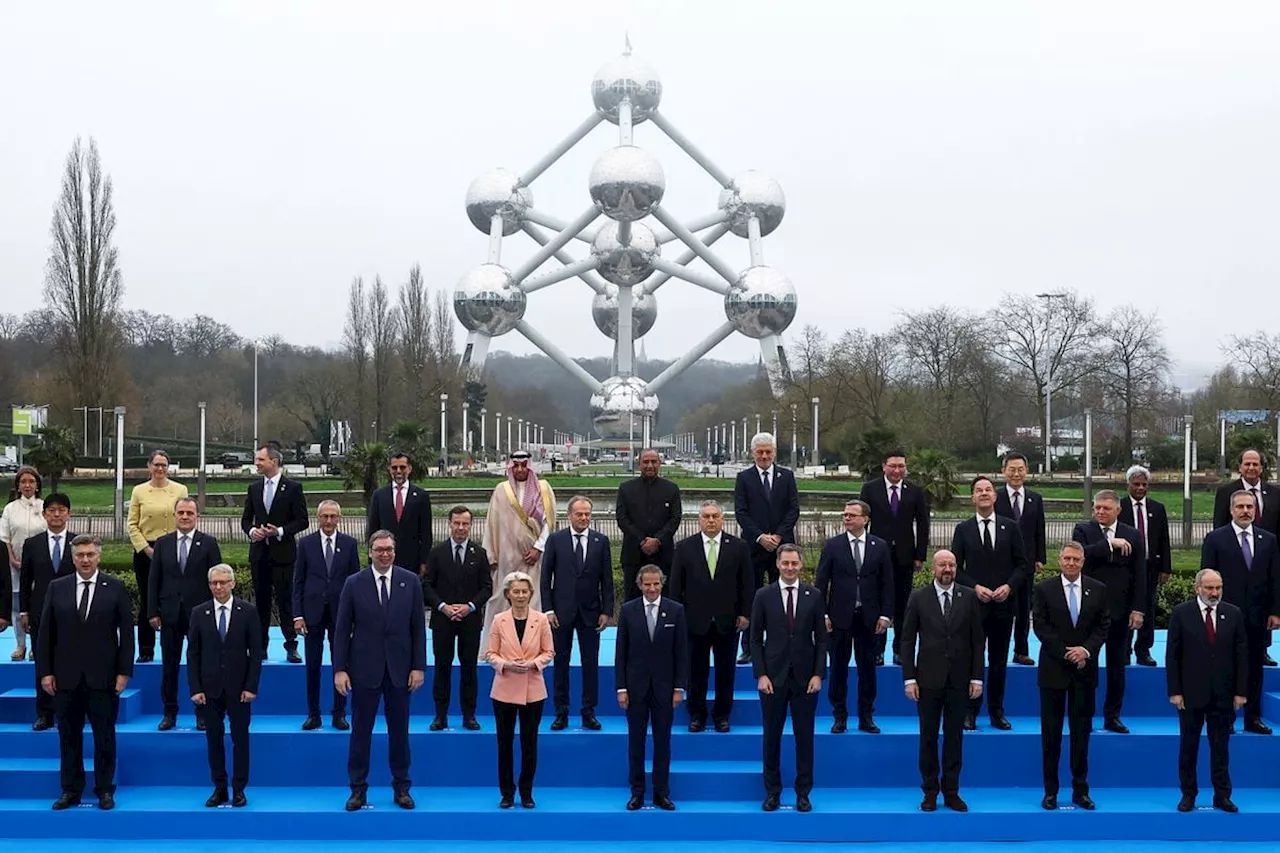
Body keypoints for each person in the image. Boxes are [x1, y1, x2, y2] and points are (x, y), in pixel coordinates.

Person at [37, 534, 134, 811]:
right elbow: (46, 635)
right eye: (80, 555)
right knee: (68, 736)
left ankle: (104, 790)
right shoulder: (57, 588)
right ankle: (71, 790)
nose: (85, 560)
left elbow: (127, 634)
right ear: (73, 557)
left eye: (90, 554)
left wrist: (124, 672)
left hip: (103, 678)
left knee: (105, 736)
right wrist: (45, 672)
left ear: (98, 556)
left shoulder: (114, 588)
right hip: (65, 678)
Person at [334, 530, 426, 811]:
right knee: (361, 733)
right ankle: (358, 790)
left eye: (389, 549)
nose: (384, 554)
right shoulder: (353, 583)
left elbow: (417, 629)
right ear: (369, 552)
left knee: (400, 733)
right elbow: (341, 630)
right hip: (364, 671)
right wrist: (340, 669)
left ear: (394, 552)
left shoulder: (410, 582)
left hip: (400, 671)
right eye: (379, 550)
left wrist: (418, 667)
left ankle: (401, 787)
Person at [901, 549, 984, 813]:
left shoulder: (969, 597)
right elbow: (907, 640)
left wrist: (977, 678)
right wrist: (909, 678)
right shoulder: (918, 597)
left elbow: (976, 641)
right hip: (927, 680)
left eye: (951, 565)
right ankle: (929, 791)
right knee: (928, 737)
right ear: (933, 569)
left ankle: (952, 791)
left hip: (959, 681)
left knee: (954, 738)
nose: (947, 569)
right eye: (942, 565)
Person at [1032, 542, 1110, 811]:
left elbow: (1103, 626)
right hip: (1053, 671)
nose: (1071, 563)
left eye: (1076, 559)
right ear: (1059, 560)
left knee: (1081, 735)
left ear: (1083, 561)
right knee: (1051, 736)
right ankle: (1050, 791)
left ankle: (1080, 790)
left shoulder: (1098, 589)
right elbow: (1040, 626)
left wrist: (1085, 650)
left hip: (1084, 672)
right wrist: (1066, 652)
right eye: (1067, 558)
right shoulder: (1044, 589)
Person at [750, 544, 827, 813]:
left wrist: (819, 674)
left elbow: (822, 639)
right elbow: (754, 639)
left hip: (806, 679)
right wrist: (760, 674)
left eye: (795, 563)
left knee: (804, 738)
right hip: (772, 678)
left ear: (801, 565)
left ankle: (803, 793)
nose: (790, 568)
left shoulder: (814, 595)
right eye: (785, 563)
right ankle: (772, 792)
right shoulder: (763, 595)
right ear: (778, 564)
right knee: (771, 737)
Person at [1199, 490, 1280, 734]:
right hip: (1224, 616)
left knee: (1255, 666)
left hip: (1258, 617)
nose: (1245, 511)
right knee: (1224, 667)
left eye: (1250, 507)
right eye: (1240, 507)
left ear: (1255, 510)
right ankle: (1225, 718)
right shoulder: (1215, 539)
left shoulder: (1269, 540)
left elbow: (1275, 578)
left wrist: (1275, 612)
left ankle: (1252, 718)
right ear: (1232, 510)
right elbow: (1206, 578)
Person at [1167, 570, 1248, 813]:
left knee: (1221, 747)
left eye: (1218, 588)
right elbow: (1173, 655)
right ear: (1197, 589)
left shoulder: (1233, 613)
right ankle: (1188, 794)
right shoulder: (1181, 614)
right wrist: (1175, 691)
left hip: (1223, 694)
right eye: (1210, 588)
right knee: (1189, 747)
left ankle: (1222, 795)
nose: (1214, 593)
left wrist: (1241, 691)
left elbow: (1241, 655)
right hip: (1190, 695)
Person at [951, 476, 1028, 731]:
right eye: (978, 490)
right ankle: (969, 712)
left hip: (1003, 605)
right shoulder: (963, 529)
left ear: (995, 497)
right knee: (972, 660)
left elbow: (1022, 564)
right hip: (974, 606)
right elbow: (956, 570)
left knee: (998, 661)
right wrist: (975, 588)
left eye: (988, 490)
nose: (983, 493)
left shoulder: (1010, 526)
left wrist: (1009, 586)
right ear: (972, 498)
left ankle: (996, 712)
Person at [669, 500, 752, 732]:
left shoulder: (738, 547)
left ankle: (722, 715)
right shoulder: (685, 547)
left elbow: (747, 584)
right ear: (699, 520)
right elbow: (676, 586)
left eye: (715, 516)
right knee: (696, 671)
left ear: (722, 519)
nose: (711, 520)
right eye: (706, 516)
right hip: (695, 621)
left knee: (726, 672)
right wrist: (677, 616)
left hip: (728, 621)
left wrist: (746, 613)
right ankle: (697, 714)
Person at [815, 498, 893, 734]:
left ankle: (866, 716)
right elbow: (821, 581)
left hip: (869, 618)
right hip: (839, 618)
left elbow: (887, 583)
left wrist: (886, 615)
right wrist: (823, 613)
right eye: (845, 514)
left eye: (852, 515)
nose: (847, 518)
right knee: (838, 668)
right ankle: (839, 716)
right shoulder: (832, 545)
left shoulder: (879, 546)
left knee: (867, 668)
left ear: (865, 519)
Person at [187, 564, 262, 808]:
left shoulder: (248, 611)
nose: (218, 587)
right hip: (209, 690)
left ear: (232, 583)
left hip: (239, 689)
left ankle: (240, 788)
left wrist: (251, 686)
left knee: (241, 739)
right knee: (213, 740)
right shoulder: (199, 612)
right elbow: (193, 654)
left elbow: (256, 653)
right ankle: (219, 788)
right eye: (213, 583)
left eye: (222, 582)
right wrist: (195, 688)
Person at [1072, 489, 1146, 733]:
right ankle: (1084, 715)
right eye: (1097, 508)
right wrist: (1108, 544)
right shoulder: (1083, 530)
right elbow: (1081, 555)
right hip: (1089, 611)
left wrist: (1138, 609)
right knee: (1087, 665)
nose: (1100, 512)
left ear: (1118, 510)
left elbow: (1139, 576)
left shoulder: (1133, 535)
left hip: (1120, 611)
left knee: (1117, 666)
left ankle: (1112, 716)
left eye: (1106, 508)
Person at [148, 497, 223, 731]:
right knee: (169, 666)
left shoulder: (209, 543)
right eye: (181, 512)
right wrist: (152, 612)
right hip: (169, 614)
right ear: (175, 515)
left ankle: (202, 713)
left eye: (190, 513)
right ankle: (169, 713)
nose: (185, 517)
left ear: (196, 516)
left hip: (200, 616)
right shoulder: (162, 543)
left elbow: (217, 580)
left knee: (201, 665)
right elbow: (154, 580)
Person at [616, 565, 688, 811]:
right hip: (635, 690)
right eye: (647, 584)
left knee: (662, 743)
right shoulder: (627, 611)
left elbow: (681, 653)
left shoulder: (676, 611)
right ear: (640, 585)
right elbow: (621, 654)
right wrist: (621, 688)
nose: (652, 588)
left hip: (664, 690)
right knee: (636, 743)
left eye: (656, 584)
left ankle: (661, 793)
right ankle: (637, 793)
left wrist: (679, 688)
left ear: (662, 583)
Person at [542, 495, 614, 731]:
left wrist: (606, 611)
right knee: (560, 663)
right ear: (569, 515)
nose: (584, 518)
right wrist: (548, 609)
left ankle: (588, 712)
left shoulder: (600, 541)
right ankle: (561, 712)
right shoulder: (555, 540)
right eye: (579, 514)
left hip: (591, 613)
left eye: (587, 514)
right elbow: (545, 578)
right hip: (561, 613)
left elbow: (607, 579)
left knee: (590, 664)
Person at [487, 571, 555, 809]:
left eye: (524, 591)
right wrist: (505, 664)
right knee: (504, 743)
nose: (520, 595)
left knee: (529, 743)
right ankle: (506, 793)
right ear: (508, 594)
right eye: (516, 591)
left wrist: (533, 664)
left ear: (531, 594)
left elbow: (549, 651)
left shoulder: (541, 620)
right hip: (504, 688)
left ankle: (526, 792)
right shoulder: (498, 620)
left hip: (533, 689)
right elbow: (490, 654)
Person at [292, 500, 360, 731]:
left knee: (341, 664)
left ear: (339, 518)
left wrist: (355, 616)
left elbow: (355, 583)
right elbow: (298, 582)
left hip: (341, 615)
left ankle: (339, 713)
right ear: (318, 518)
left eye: (333, 516)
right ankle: (313, 714)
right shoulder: (305, 543)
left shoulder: (349, 544)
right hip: (312, 615)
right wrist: (297, 615)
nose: (329, 521)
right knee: (313, 666)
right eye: (325, 516)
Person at [423, 505, 492, 731]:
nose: (461, 528)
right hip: (442, 621)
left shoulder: (479, 554)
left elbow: (486, 588)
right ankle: (440, 716)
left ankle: (469, 716)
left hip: (469, 622)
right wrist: (442, 607)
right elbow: (427, 586)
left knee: (469, 668)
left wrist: (470, 607)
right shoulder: (436, 552)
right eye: (457, 523)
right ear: (449, 524)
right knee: (442, 668)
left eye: (465, 523)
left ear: (471, 525)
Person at [859, 450, 930, 666]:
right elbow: (863, 522)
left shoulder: (915, 491)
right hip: (876, 556)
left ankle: (900, 650)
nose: (897, 470)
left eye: (901, 466)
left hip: (904, 557)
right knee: (877, 603)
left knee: (902, 606)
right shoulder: (870, 489)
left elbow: (923, 524)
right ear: (884, 466)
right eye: (893, 466)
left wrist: (920, 555)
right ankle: (877, 650)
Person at [734, 432, 800, 662]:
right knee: (750, 597)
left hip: (782, 550)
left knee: (781, 598)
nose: (764, 456)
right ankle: (749, 647)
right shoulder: (744, 478)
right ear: (753, 453)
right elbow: (741, 512)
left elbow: (793, 510)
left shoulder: (787, 476)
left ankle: (779, 644)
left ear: (774, 452)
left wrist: (779, 536)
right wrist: (760, 536)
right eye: (760, 452)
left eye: (768, 451)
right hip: (753, 548)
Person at [481, 450, 556, 648]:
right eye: (516, 466)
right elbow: (492, 524)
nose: (520, 469)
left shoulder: (543, 488)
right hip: (506, 557)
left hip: (534, 558)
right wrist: (491, 555)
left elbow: (549, 522)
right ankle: (497, 647)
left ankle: (535, 647)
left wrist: (539, 548)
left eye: (524, 465)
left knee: (534, 598)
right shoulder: (501, 490)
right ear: (510, 467)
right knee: (501, 599)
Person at [241, 443, 309, 662]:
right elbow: (245, 519)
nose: (257, 463)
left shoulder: (293, 488)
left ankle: (291, 646)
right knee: (260, 603)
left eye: (260, 460)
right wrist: (252, 531)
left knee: (285, 602)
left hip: (284, 556)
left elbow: (302, 521)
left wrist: (279, 531)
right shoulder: (254, 489)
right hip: (259, 554)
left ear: (274, 461)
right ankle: (260, 648)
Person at [1214, 449, 1280, 666]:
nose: (1251, 468)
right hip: (1234, 557)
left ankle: (1262, 649)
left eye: (1256, 464)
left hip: (1266, 555)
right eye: (1247, 464)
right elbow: (1219, 525)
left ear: (1262, 467)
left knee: (1262, 602)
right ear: (1240, 467)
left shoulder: (1275, 493)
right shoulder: (1226, 492)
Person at [19, 493, 77, 731]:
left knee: (72, 662)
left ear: (69, 514)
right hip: (40, 611)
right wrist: (24, 611)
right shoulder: (32, 544)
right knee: (42, 662)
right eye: (51, 510)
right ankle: (44, 713)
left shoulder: (78, 543)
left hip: (73, 613)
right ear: (44, 514)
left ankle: (72, 710)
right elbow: (25, 581)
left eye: (61, 510)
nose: (56, 514)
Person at [127, 449, 188, 662]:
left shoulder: (180, 490)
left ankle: (176, 646)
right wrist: (146, 549)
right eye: (156, 464)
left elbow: (184, 518)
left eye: (164, 465)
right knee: (147, 598)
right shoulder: (139, 491)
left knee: (174, 597)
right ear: (149, 466)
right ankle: (146, 649)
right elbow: (132, 524)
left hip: (172, 549)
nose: (160, 469)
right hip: (147, 551)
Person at [994, 452, 1045, 666]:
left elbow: (1039, 530)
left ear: (1027, 471)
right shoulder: (995, 496)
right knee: (1001, 609)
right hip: (1002, 563)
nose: (1016, 474)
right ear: (1003, 471)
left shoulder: (1035, 498)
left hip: (1026, 563)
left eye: (1020, 469)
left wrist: (1039, 557)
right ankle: (997, 650)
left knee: (1024, 609)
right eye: (1012, 469)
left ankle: (1021, 650)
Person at [1121, 465, 1172, 667]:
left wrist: (1165, 568)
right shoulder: (1120, 507)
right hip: (1125, 567)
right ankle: (1123, 651)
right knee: (1125, 609)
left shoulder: (1157, 508)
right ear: (1128, 485)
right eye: (1136, 484)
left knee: (1148, 608)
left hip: (1150, 567)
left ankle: (1144, 650)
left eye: (1144, 484)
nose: (1140, 488)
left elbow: (1164, 539)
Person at [615, 448, 682, 601]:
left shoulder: (671, 489)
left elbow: (675, 519)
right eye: (646, 462)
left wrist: (658, 540)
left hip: (663, 555)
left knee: (665, 600)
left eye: (654, 462)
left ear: (660, 464)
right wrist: (642, 540)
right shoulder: (626, 488)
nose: (650, 465)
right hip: (634, 555)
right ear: (639, 464)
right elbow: (622, 519)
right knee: (632, 601)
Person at [1, 465, 44, 661]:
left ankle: (38, 645)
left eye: (31, 481)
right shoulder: (10, 509)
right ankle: (20, 646)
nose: (27, 485)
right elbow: (6, 537)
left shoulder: (44, 507)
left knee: (39, 606)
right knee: (18, 606)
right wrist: (12, 559)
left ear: (37, 485)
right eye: (23, 482)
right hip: (15, 565)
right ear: (17, 486)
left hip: (40, 566)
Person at [365, 453, 433, 577]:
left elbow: (426, 533)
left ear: (409, 469)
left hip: (412, 562)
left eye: (402, 467)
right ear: (389, 469)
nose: (398, 471)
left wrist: (424, 562)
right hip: (384, 559)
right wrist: (371, 559)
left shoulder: (421, 496)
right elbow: (372, 529)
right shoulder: (379, 495)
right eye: (394, 468)